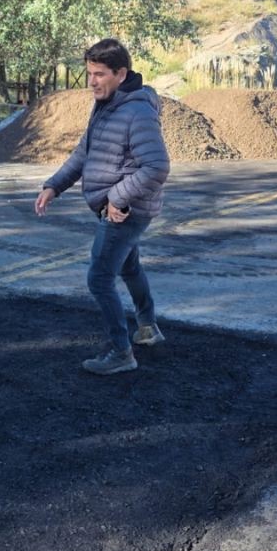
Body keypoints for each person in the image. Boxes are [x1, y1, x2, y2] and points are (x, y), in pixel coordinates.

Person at [34, 38, 171, 376]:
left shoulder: (137, 112)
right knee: (129, 268)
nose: (91, 81)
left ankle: (121, 352)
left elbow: (156, 167)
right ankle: (147, 328)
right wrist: (54, 185)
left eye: (99, 74)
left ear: (121, 73)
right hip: (121, 206)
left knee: (99, 277)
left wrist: (117, 198)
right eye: (89, 73)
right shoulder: (107, 105)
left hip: (125, 211)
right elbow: (85, 152)